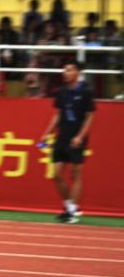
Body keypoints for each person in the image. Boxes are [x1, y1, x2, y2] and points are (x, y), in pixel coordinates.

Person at [37, 60, 95, 223]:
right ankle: (70, 206)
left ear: (78, 72)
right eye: (65, 70)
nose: (66, 73)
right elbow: (58, 115)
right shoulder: (62, 92)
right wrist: (47, 134)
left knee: (75, 173)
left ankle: (71, 211)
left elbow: (90, 117)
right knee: (56, 174)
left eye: (69, 70)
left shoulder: (86, 92)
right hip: (62, 136)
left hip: (77, 137)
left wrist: (80, 136)